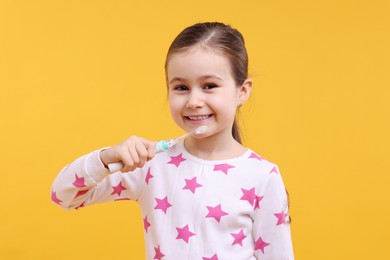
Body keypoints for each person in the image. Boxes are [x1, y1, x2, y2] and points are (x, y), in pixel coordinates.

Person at [51, 22, 294, 260]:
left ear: (242, 91)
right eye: (181, 87)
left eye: (209, 86)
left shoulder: (263, 176)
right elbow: (64, 195)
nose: (193, 101)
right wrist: (105, 158)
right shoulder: (150, 165)